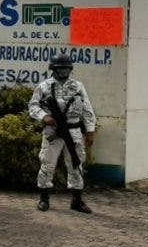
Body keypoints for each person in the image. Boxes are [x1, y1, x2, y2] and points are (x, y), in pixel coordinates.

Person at [28, 54, 97, 214]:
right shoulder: (44, 86)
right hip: (54, 130)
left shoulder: (78, 86)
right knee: (47, 164)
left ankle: (77, 200)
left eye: (66, 68)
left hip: (73, 130)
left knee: (76, 164)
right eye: (61, 69)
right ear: (53, 69)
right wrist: (44, 116)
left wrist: (90, 131)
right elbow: (33, 105)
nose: (64, 71)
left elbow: (87, 109)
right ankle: (44, 198)